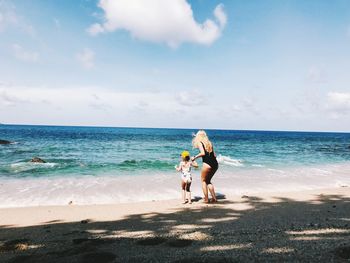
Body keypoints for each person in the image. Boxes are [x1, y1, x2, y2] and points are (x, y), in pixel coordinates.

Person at [191, 130, 218, 203]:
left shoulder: (200, 142)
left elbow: (202, 153)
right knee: (208, 181)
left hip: (207, 164)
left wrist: (194, 157)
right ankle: (214, 198)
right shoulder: (209, 143)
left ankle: (206, 199)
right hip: (215, 164)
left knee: (203, 181)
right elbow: (214, 155)